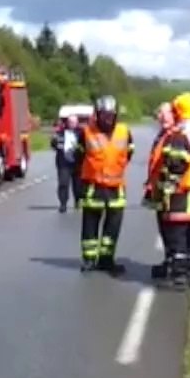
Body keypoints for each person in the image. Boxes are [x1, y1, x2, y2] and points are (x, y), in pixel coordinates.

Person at [147, 92, 190, 290]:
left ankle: (179, 275)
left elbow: (176, 163)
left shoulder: (180, 136)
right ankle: (189, 272)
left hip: (182, 194)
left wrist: (166, 187)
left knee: (177, 235)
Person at [74, 95, 134, 274]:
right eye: (104, 115)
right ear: (97, 115)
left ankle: (107, 260)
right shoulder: (85, 132)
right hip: (93, 188)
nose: (107, 119)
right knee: (90, 226)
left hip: (116, 189)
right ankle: (89, 260)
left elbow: (129, 153)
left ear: (115, 116)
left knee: (112, 229)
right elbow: (78, 160)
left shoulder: (124, 132)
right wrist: (78, 188)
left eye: (110, 115)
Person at [142, 102, 177, 278]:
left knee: (171, 229)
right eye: (160, 113)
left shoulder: (174, 135)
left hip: (169, 190)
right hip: (158, 188)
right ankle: (169, 261)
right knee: (164, 227)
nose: (161, 117)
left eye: (166, 113)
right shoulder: (163, 134)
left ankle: (173, 264)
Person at [51, 115, 83, 212]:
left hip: (77, 162)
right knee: (63, 183)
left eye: (74, 122)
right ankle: (63, 204)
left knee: (78, 185)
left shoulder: (82, 133)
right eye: (70, 122)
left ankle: (78, 200)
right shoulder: (60, 133)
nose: (72, 124)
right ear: (67, 123)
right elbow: (54, 145)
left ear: (77, 123)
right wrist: (55, 141)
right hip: (64, 163)